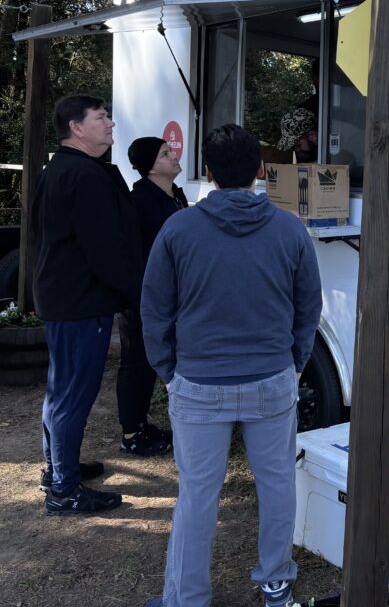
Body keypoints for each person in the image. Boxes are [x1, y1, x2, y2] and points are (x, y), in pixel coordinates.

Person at [141, 124, 322, 607]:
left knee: (197, 496)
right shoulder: (290, 229)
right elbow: (309, 308)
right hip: (271, 381)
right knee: (278, 484)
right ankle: (277, 586)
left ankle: (187, 599)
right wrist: (294, 364)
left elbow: (155, 308)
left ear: (207, 172)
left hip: (198, 383)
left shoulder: (179, 227)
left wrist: (169, 371)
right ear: (262, 170)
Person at [33, 94, 143, 515]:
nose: (111, 124)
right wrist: (137, 292)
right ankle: (64, 489)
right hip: (80, 301)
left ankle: (56, 467)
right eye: (101, 118)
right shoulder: (82, 174)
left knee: (61, 388)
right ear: (76, 128)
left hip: (64, 297)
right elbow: (106, 250)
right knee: (73, 394)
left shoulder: (61, 168)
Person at [115, 137, 187, 456]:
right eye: (165, 153)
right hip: (144, 295)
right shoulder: (138, 200)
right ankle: (131, 434)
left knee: (157, 360)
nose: (173, 156)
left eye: (170, 151)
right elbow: (132, 251)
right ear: (150, 166)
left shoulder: (177, 194)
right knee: (137, 362)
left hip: (175, 293)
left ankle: (143, 424)